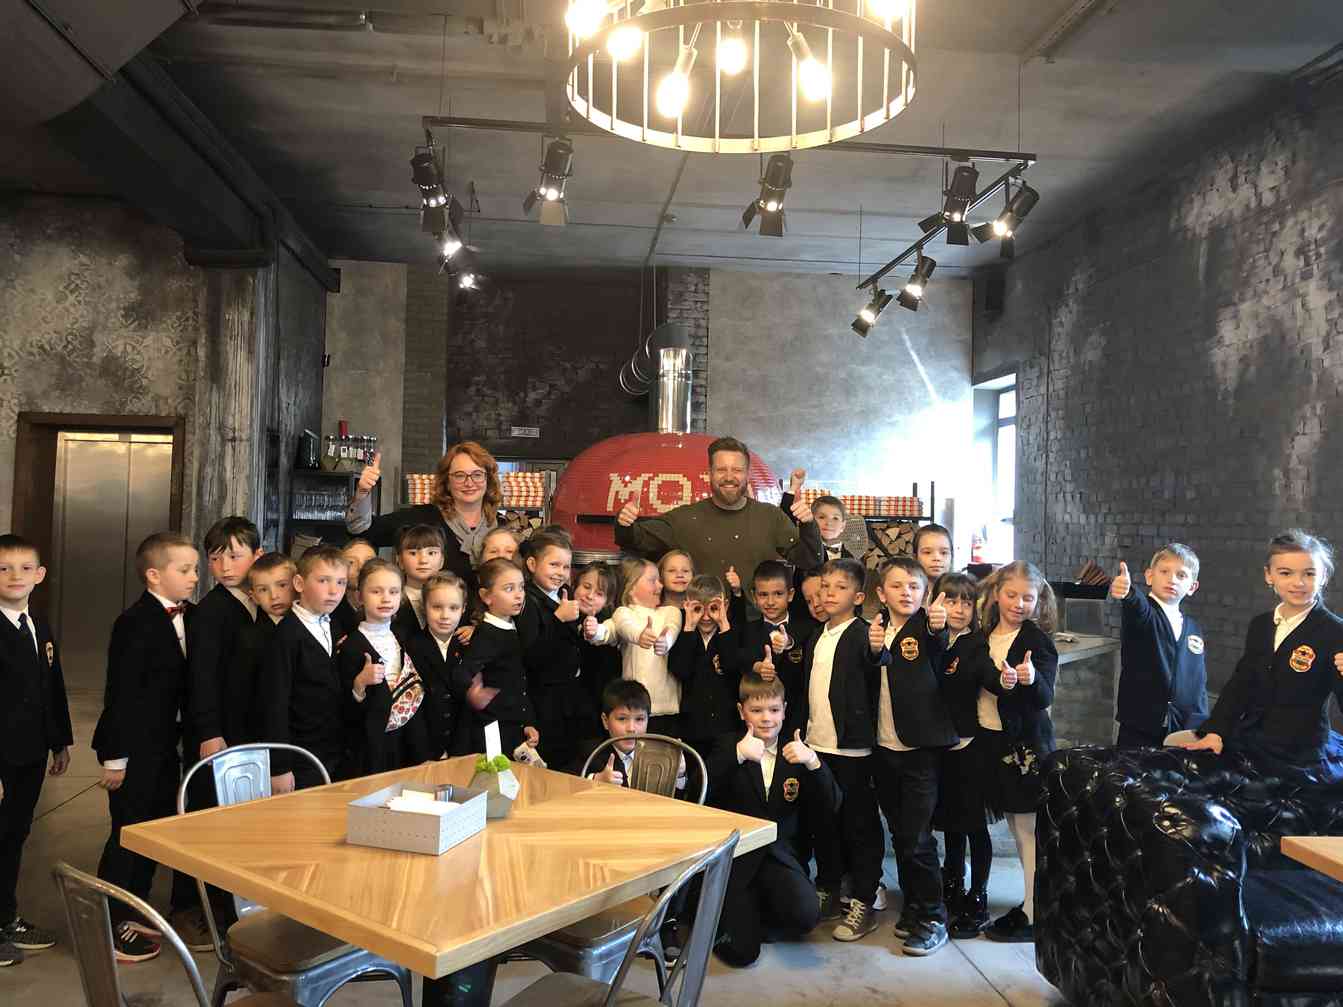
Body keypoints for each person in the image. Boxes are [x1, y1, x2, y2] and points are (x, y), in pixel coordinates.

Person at [92, 531, 198, 964]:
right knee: (127, 835)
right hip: (134, 749)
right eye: (185, 569)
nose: (194, 577)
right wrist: (115, 758)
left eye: (195, 569)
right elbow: (120, 695)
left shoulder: (189, 616)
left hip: (164, 747)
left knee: (152, 831)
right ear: (154, 575)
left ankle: (135, 912)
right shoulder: (134, 622)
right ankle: (109, 922)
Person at [1184, 530, 1343, 785]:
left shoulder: (1335, 632)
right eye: (1286, 573)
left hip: (1300, 754)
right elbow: (1241, 684)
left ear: (1323, 576)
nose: (1298, 583)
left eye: (1309, 573)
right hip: (1251, 740)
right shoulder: (1261, 625)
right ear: (1269, 575)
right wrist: (1216, 731)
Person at [708, 672, 841, 968]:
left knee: (806, 915)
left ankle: (755, 912)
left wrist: (814, 763)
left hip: (780, 857)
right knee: (742, 953)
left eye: (774, 710)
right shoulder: (727, 745)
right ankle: (731, 913)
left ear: (784, 711)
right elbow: (700, 792)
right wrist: (737, 756)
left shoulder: (796, 750)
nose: (766, 718)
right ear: (742, 712)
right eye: (756, 710)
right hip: (737, 861)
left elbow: (832, 803)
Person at [869, 558, 957, 956]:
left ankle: (934, 917)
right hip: (883, 747)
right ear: (880, 593)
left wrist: (938, 627)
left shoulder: (927, 626)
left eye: (914, 586)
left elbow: (938, 647)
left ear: (925, 594)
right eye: (897, 585)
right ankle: (914, 906)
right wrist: (873, 650)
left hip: (919, 751)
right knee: (900, 834)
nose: (906, 592)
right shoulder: (874, 629)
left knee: (918, 837)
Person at [794, 557, 884, 942]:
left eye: (840, 588)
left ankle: (864, 898)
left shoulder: (864, 634)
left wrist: (879, 650)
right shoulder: (818, 635)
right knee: (824, 824)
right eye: (825, 587)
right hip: (817, 747)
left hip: (853, 750)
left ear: (858, 597)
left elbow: (877, 661)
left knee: (859, 827)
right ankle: (829, 888)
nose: (829, 594)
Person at [615, 436, 823, 590]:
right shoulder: (684, 518)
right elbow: (635, 540)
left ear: (747, 475)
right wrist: (625, 523)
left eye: (737, 470)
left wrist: (808, 524)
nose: (729, 477)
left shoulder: (770, 517)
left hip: (754, 627)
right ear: (710, 474)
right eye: (721, 470)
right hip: (699, 624)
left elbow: (810, 560)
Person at [976, 561, 1059, 944]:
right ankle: (1030, 902)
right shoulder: (985, 634)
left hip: (1025, 748)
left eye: (1028, 598)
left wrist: (1032, 678)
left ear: (1038, 601)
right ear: (997, 594)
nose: (1018, 604)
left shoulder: (1037, 642)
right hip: (993, 742)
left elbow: (1044, 696)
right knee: (1015, 825)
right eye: (1011, 595)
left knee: (1029, 831)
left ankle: (1034, 911)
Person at [0, 535, 71, 968]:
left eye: (25, 568)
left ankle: (5, 917)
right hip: (1, 759)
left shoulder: (37, 625)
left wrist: (58, 740)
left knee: (14, 835)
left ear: (40, 575)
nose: (15, 576)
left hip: (30, 753)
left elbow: (52, 685)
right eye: (4, 568)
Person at [928, 571, 994, 940]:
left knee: (973, 825)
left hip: (970, 746)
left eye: (966, 602)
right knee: (951, 823)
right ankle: (953, 880)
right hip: (940, 746)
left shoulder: (977, 644)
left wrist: (1009, 679)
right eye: (951, 600)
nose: (958, 609)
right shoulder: (933, 639)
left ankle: (978, 894)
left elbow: (990, 677)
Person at [346, 441, 501, 591]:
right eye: (460, 475)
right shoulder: (420, 519)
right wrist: (363, 492)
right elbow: (363, 531)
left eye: (477, 474)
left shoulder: (502, 526)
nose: (469, 483)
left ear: (488, 479)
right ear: (447, 482)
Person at [259, 546, 350, 792]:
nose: (334, 591)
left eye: (341, 582)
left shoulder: (335, 625)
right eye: (323, 581)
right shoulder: (285, 635)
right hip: (300, 756)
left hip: (334, 750)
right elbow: (274, 704)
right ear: (299, 583)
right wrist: (279, 766)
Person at [1109, 546, 1208, 747]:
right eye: (1164, 571)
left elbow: (1198, 681)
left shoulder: (1193, 628)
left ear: (1192, 587)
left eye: (1181, 575)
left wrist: (1202, 723)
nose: (1172, 579)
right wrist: (1128, 593)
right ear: (1149, 576)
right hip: (1140, 727)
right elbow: (1137, 605)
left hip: (1180, 729)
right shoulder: (1145, 614)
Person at [340, 560, 430, 774]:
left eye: (393, 591)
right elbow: (343, 710)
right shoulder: (351, 645)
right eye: (376, 591)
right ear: (360, 597)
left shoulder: (405, 638)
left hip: (408, 744)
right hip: (371, 749)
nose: (386, 598)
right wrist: (359, 684)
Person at [586, 558, 683, 737]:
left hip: (667, 709)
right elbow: (610, 631)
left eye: (659, 580)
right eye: (652, 580)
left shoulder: (671, 612)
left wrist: (665, 642)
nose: (660, 585)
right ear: (631, 588)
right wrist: (594, 631)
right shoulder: (623, 613)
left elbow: (673, 629)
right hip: (633, 709)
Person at [517, 530, 588, 770]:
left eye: (566, 567)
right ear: (532, 564)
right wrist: (558, 619)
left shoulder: (564, 595)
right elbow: (531, 655)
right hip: (543, 699)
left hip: (568, 697)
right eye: (554, 564)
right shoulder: (527, 601)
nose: (561, 572)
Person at [457, 558, 540, 754]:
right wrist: (478, 696)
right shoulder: (487, 634)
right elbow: (463, 675)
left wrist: (527, 721)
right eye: (509, 589)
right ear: (486, 596)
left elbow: (518, 682)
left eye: (521, 587)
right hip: (493, 730)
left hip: (514, 725)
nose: (519, 595)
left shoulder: (512, 626)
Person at [671, 575, 743, 771]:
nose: (705, 616)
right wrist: (689, 626)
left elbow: (733, 667)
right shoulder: (684, 633)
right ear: (687, 606)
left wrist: (723, 624)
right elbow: (680, 670)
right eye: (698, 609)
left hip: (727, 725)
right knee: (696, 777)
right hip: (693, 725)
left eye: (713, 608)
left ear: (724, 606)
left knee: (724, 778)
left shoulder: (731, 632)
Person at [404, 573, 469, 759]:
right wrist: (423, 755)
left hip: (464, 746)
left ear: (463, 609)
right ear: (424, 607)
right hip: (426, 748)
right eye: (437, 607)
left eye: (453, 608)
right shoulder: (411, 646)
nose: (445, 616)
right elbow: (412, 706)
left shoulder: (470, 645)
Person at [234, 553, 295, 743]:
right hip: (264, 733)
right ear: (253, 596)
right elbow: (241, 695)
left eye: (282, 585)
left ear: (297, 584)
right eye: (263, 590)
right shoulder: (249, 638)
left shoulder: (311, 626)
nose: (274, 595)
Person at [739, 560, 805, 706]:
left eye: (778, 594)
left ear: (790, 594)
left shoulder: (806, 628)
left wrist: (788, 642)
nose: (770, 602)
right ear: (754, 596)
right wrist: (757, 667)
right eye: (763, 594)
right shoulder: (747, 631)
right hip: (760, 712)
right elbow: (741, 660)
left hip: (798, 711)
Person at [575, 561, 621, 715]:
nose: (590, 596)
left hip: (596, 702)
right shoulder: (564, 613)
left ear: (607, 601)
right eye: (586, 587)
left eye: (599, 594)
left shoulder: (608, 625)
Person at [392, 525, 446, 639]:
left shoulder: (454, 596)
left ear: (442, 560)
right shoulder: (392, 599)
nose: (423, 560)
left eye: (431, 553)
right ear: (400, 560)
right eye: (413, 553)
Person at [332, 538, 376, 641]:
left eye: (368, 561)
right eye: (351, 562)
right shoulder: (329, 612)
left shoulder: (389, 610)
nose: (361, 567)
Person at [912, 524, 954, 602]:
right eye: (927, 552)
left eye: (944, 553)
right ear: (915, 557)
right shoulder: (907, 594)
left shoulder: (962, 592)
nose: (937, 558)